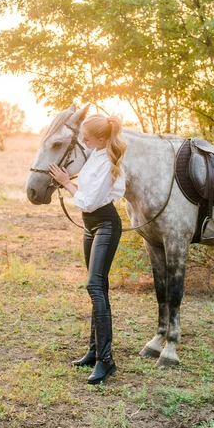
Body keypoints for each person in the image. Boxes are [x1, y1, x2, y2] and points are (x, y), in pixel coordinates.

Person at [48, 113, 127, 385]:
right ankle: (94, 352)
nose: (83, 140)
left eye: (87, 137)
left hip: (105, 223)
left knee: (94, 286)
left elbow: (90, 202)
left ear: (102, 139)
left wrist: (66, 184)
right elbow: (86, 188)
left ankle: (107, 361)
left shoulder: (107, 161)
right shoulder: (95, 154)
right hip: (89, 226)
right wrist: (66, 176)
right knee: (98, 288)